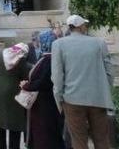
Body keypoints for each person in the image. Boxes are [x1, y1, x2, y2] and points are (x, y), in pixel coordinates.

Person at [51, 15, 114, 149]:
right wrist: (105, 91)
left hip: (72, 99)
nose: (86, 27)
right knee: (102, 139)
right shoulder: (99, 43)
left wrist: (59, 98)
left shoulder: (58, 44)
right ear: (80, 26)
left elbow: (57, 76)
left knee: (79, 141)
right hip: (97, 98)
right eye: (84, 24)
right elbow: (109, 71)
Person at [21, 30, 65, 149]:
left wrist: (26, 86)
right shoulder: (47, 58)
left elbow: (43, 82)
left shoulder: (49, 60)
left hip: (45, 105)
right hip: (44, 105)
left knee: (45, 136)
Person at [0, 42, 30, 149]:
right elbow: (26, 74)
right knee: (14, 124)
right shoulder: (20, 59)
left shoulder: (1, 53)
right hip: (11, 94)